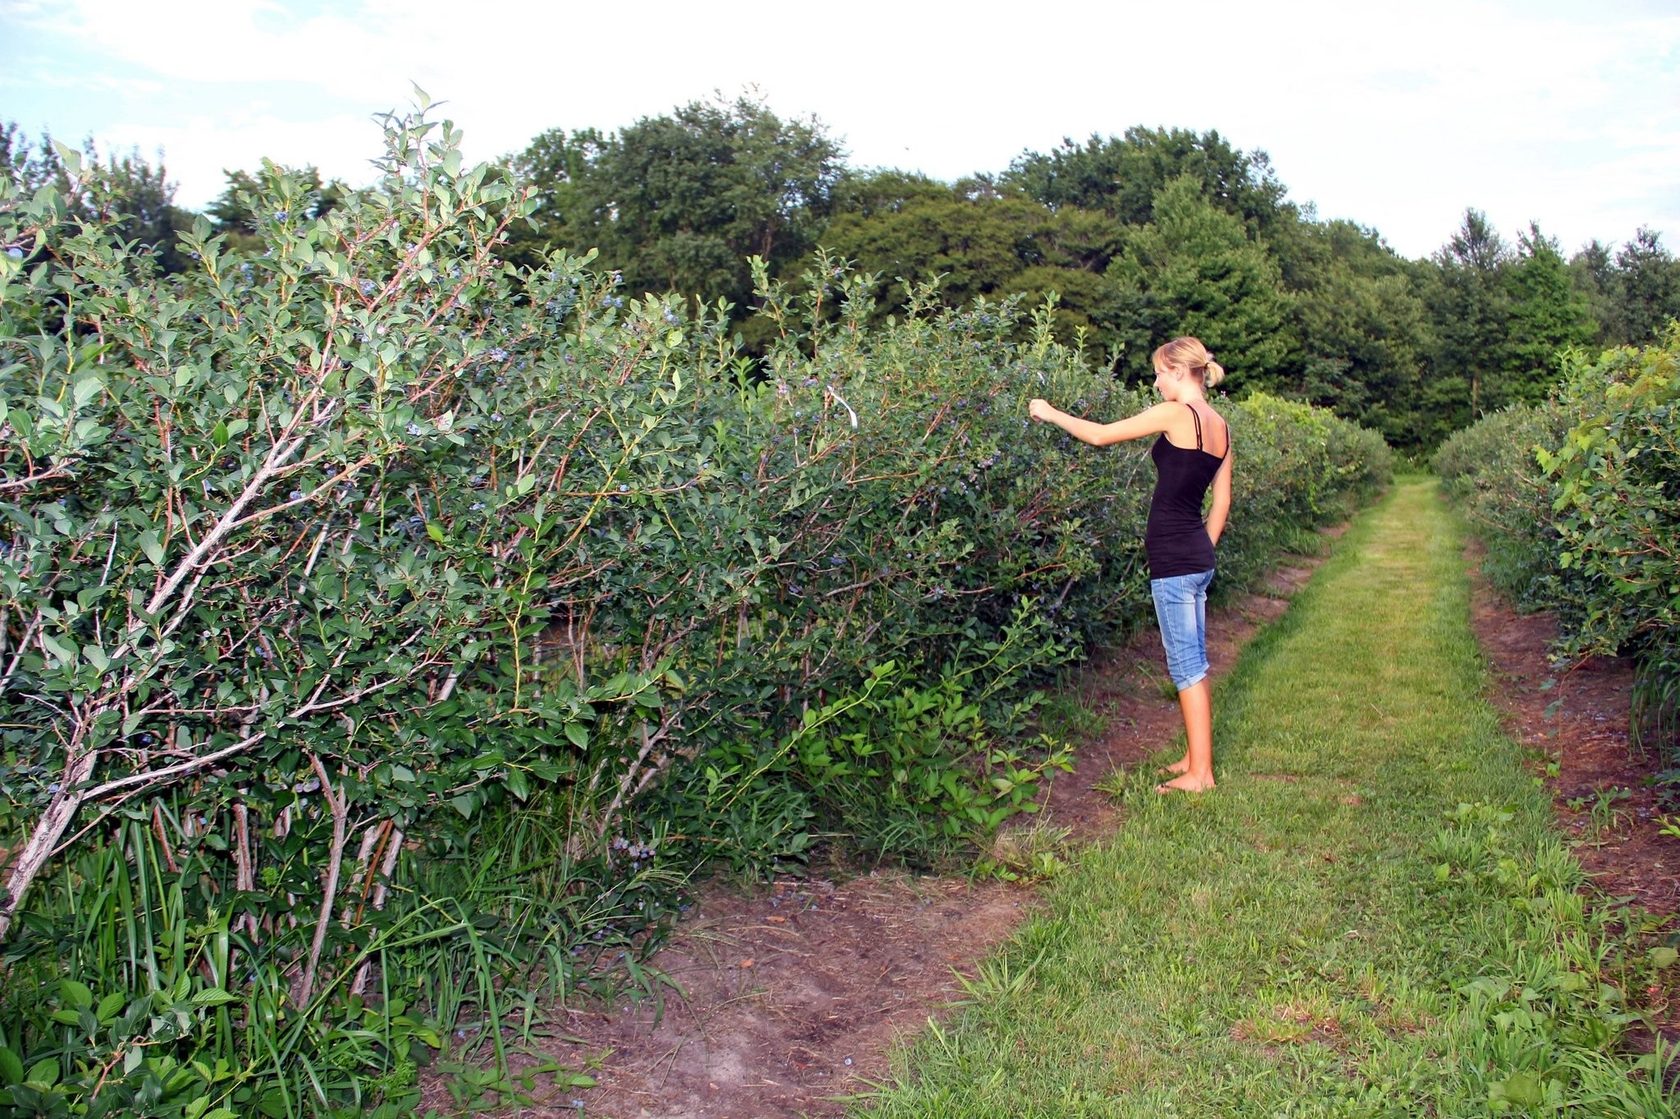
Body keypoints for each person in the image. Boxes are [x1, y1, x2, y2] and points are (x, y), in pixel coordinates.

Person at [1028, 336, 1233, 794]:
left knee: (1187, 666)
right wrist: (1205, 549)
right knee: (1192, 662)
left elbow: (1101, 434)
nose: (1156, 381)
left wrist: (1049, 411)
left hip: (1176, 562)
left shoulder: (1177, 413)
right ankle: (1193, 758)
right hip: (1196, 558)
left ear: (1180, 372)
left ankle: (1201, 775)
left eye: (1160, 372)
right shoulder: (1220, 424)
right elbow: (1222, 501)